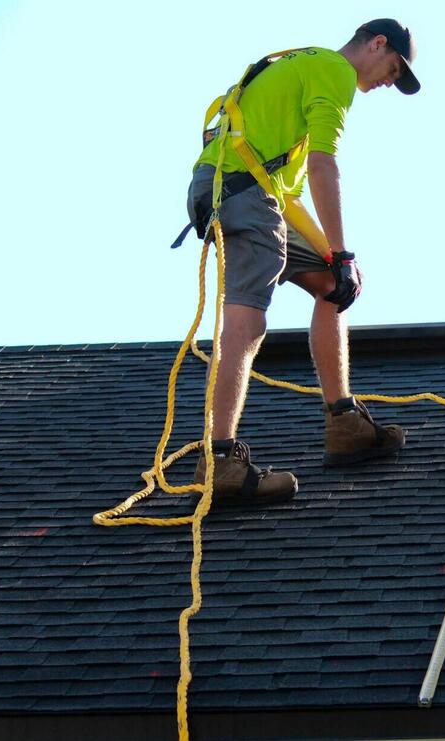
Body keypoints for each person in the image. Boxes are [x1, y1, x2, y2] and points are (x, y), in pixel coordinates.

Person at [183, 19, 421, 507]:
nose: (386, 83)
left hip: (244, 189)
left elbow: (284, 188)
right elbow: (322, 164)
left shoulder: (302, 62)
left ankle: (344, 423)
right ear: (377, 44)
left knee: (336, 287)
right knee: (246, 322)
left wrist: (336, 260)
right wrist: (344, 246)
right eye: (392, 69)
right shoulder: (333, 71)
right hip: (243, 193)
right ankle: (220, 461)